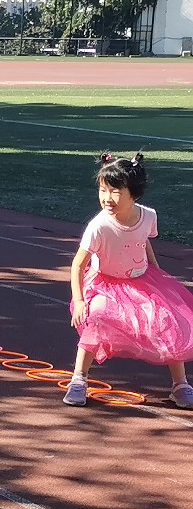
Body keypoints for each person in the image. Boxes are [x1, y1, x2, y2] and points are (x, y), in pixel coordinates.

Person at [64, 153, 193, 409]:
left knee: (167, 320)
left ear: (134, 194)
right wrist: (78, 301)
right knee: (96, 316)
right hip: (105, 284)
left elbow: (142, 241)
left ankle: (180, 384)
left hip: (142, 280)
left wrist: (158, 274)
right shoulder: (99, 226)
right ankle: (78, 379)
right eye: (102, 190)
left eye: (115, 192)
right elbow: (78, 265)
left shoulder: (148, 216)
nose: (107, 198)